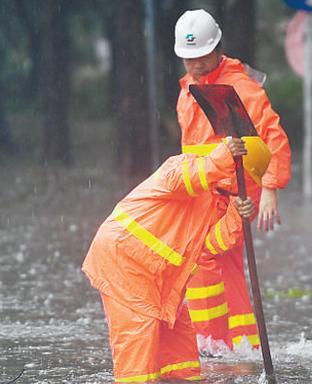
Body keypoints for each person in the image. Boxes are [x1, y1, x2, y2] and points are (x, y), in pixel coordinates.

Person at [82, 137, 271, 383]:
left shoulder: (218, 201)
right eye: (246, 180)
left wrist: (237, 216)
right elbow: (187, 180)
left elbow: (211, 246)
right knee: (138, 353)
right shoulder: (184, 165)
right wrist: (222, 157)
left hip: (161, 280)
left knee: (181, 356)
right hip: (125, 263)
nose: (247, 189)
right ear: (236, 169)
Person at [174, 9, 292, 352]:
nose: (195, 64)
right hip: (205, 194)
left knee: (203, 255)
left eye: (201, 56)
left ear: (217, 48)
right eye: (188, 58)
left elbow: (273, 136)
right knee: (223, 266)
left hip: (237, 194)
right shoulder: (189, 88)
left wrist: (270, 189)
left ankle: (210, 342)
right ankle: (239, 346)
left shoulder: (239, 87)